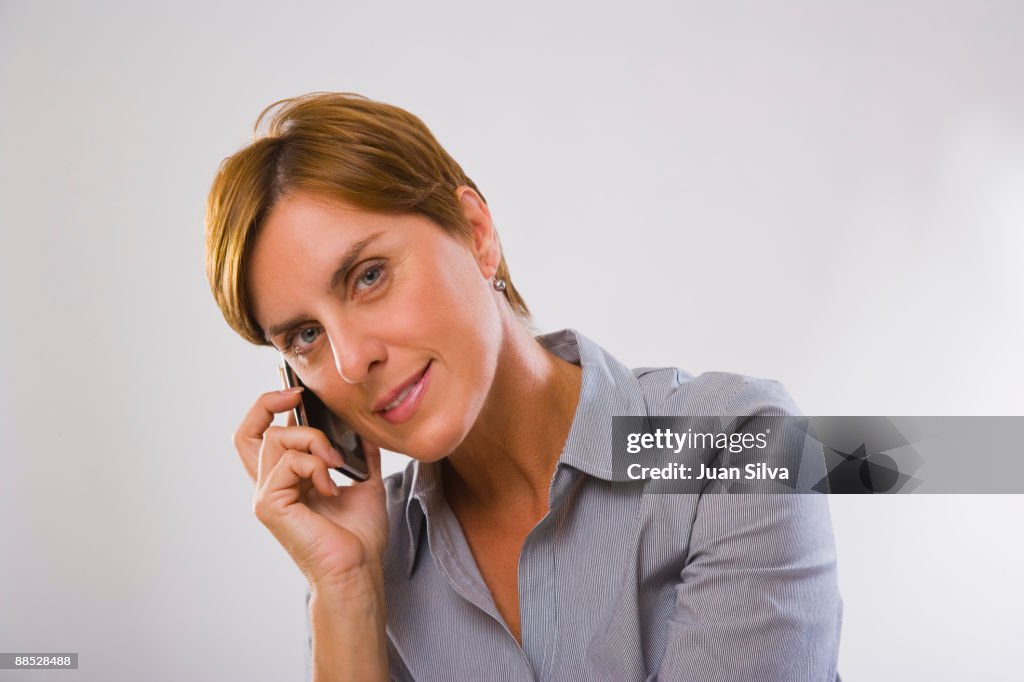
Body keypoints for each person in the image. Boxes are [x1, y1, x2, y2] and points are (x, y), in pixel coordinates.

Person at [204, 92, 843, 681]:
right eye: (304, 338)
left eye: (368, 276)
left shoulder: (736, 446)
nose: (350, 361)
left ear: (477, 235)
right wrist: (345, 589)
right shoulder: (370, 557)